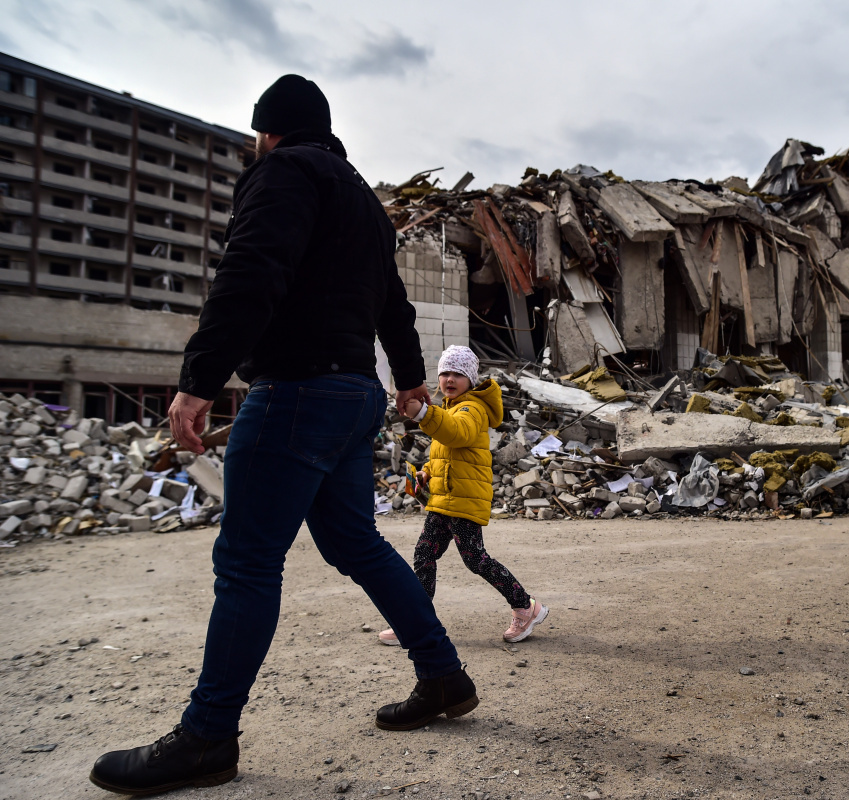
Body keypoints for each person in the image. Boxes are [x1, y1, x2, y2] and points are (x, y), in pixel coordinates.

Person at [88, 75, 477, 797]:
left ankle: (207, 736)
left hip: (297, 390)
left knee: (246, 562)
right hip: (355, 394)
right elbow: (392, 302)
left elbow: (251, 269)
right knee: (355, 541)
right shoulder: (361, 198)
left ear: (266, 132)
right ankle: (444, 675)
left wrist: (199, 376)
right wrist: (411, 380)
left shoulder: (282, 172)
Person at [377, 345, 548, 645]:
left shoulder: (473, 410)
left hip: (463, 500)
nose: (449, 379)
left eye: (458, 373)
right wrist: (427, 471)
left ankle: (526, 607)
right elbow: (448, 450)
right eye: (445, 372)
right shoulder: (451, 408)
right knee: (424, 556)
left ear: (471, 378)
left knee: (476, 560)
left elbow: (457, 433)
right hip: (443, 501)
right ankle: (416, 621)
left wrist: (423, 414)